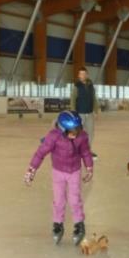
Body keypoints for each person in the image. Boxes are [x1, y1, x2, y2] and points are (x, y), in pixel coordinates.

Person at [24, 111, 94, 245]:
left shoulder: (82, 137)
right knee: (59, 199)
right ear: (62, 129)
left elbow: (85, 152)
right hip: (58, 172)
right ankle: (57, 224)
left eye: (78, 130)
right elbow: (40, 153)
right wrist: (32, 169)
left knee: (74, 200)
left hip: (74, 171)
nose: (75, 134)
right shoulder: (53, 137)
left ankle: (79, 224)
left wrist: (89, 167)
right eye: (72, 132)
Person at [70, 67, 100, 158]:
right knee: (79, 133)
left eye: (84, 74)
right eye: (80, 74)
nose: (82, 75)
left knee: (90, 133)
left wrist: (96, 111)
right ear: (78, 75)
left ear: (87, 75)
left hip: (90, 113)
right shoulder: (76, 86)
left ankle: (87, 151)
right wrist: (73, 112)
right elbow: (72, 100)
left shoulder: (91, 86)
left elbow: (94, 99)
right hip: (80, 114)